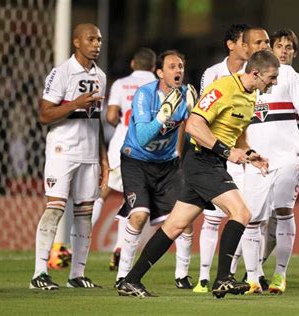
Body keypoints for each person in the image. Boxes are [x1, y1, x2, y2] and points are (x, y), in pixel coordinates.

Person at [117, 50, 279, 299]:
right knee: (242, 213)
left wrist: (249, 154)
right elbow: (193, 125)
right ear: (256, 73)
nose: (274, 82)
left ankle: (131, 280)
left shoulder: (251, 96)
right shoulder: (223, 88)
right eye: (272, 77)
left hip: (214, 162)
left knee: (175, 225)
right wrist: (226, 151)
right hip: (201, 161)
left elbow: (237, 135)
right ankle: (223, 278)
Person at [30, 23, 108, 290]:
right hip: (62, 151)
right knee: (55, 210)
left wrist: (104, 159)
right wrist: (74, 104)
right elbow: (43, 115)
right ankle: (39, 273)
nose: (96, 44)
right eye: (91, 39)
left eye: (99, 39)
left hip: (90, 155)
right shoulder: (61, 73)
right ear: (76, 42)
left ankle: (77, 275)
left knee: (84, 214)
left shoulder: (101, 76)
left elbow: (96, 120)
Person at [113, 50, 198, 290]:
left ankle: (182, 276)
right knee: (139, 216)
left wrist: (196, 115)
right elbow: (141, 137)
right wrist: (164, 115)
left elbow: (197, 131)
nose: (178, 70)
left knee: (186, 219)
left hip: (167, 164)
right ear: (159, 72)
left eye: (180, 66)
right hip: (136, 161)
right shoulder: (145, 94)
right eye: (172, 66)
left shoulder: (186, 95)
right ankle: (123, 276)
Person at [242, 28, 299, 294]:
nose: (284, 51)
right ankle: (253, 277)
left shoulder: (295, 78)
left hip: (288, 157)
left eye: (289, 47)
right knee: (253, 218)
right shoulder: (249, 76)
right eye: (279, 45)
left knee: (283, 212)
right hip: (256, 158)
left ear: (295, 52)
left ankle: (280, 274)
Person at [193, 23, 262, 293]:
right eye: (245, 43)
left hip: (236, 155)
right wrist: (220, 149)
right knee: (212, 218)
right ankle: (203, 278)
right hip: (212, 154)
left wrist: (246, 152)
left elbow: (242, 124)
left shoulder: (252, 78)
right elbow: (201, 115)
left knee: (244, 215)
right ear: (232, 45)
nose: (249, 47)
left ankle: (237, 275)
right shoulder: (214, 74)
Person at [90, 48, 157, 271]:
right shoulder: (158, 85)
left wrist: (120, 124)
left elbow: (110, 116)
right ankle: (120, 246)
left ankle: (79, 238)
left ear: (132, 63)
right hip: (149, 146)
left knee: (104, 190)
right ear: (153, 66)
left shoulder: (120, 84)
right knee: (135, 198)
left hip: (122, 143)